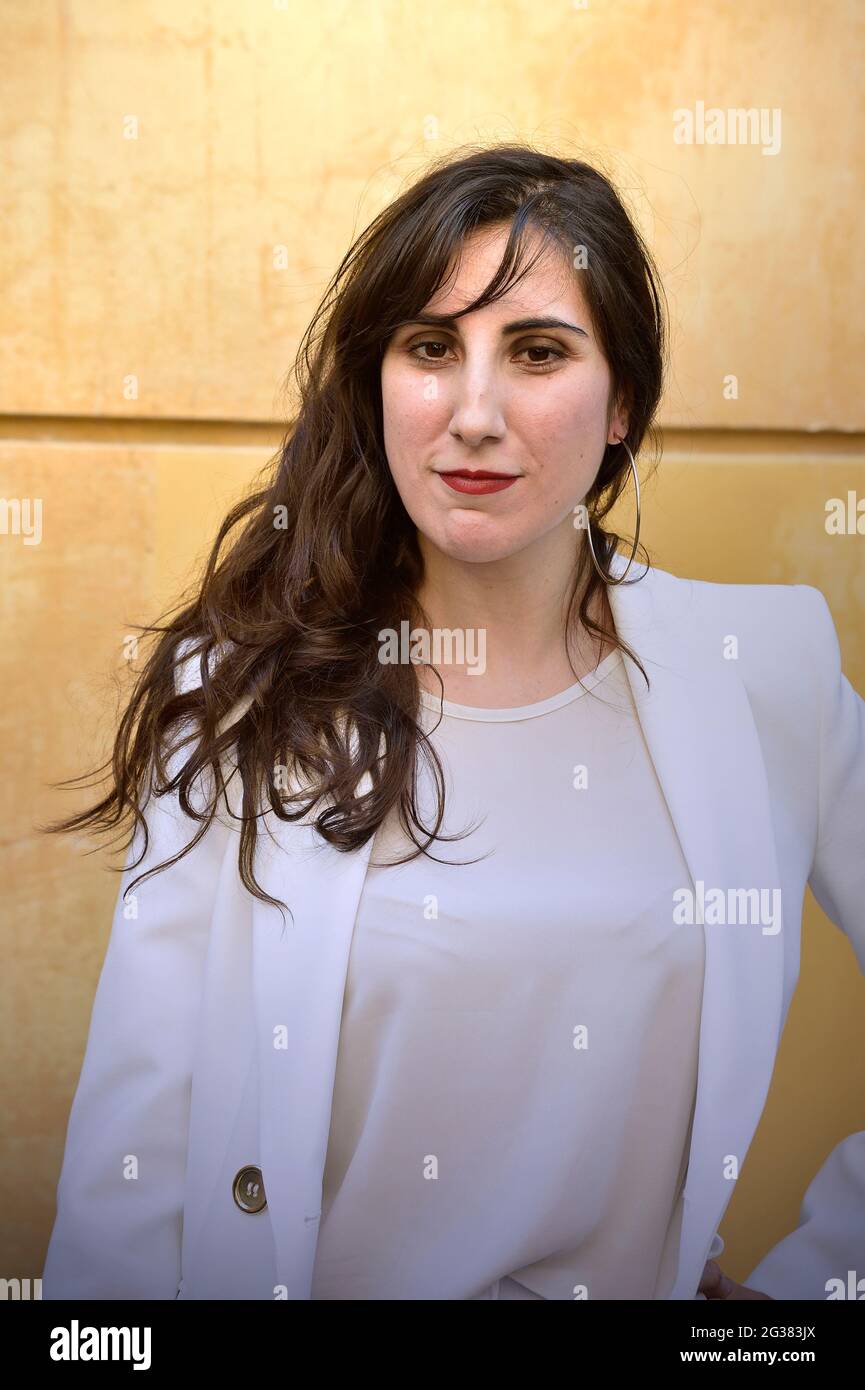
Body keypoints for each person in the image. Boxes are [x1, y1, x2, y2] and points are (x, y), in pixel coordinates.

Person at [41, 144, 865, 1301]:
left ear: (623, 399)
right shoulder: (242, 687)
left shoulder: (762, 674)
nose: (473, 413)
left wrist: (806, 1302)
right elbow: (130, 1173)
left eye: (536, 352)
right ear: (380, 379)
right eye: (432, 348)